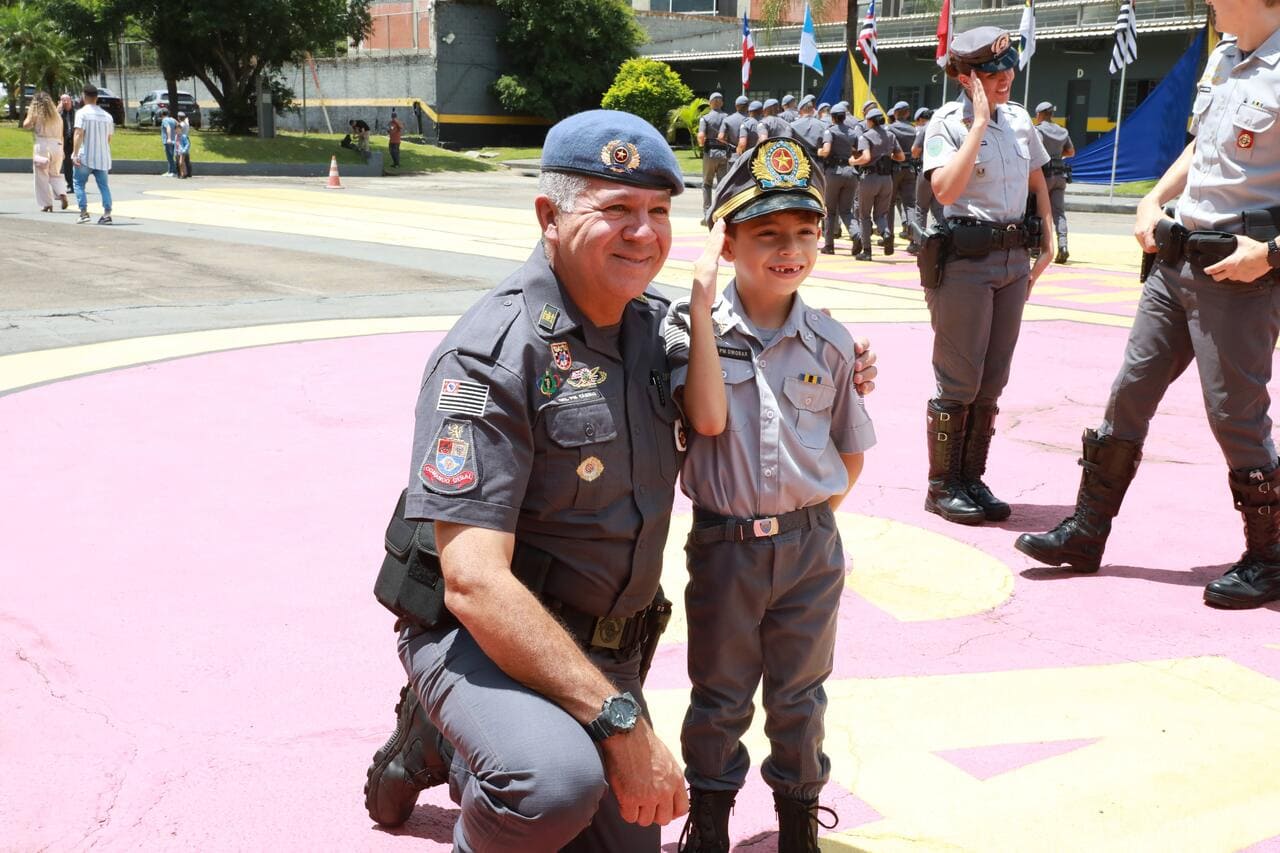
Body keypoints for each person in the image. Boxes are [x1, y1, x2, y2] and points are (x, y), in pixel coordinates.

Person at [361, 112, 882, 849]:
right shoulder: (491, 354)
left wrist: (839, 359)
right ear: (549, 216)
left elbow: (738, 374)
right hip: (485, 633)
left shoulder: (654, 331)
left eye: (658, 211)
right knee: (549, 788)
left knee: (635, 828)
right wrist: (620, 723)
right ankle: (457, 723)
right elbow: (473, 582)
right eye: (616, 211)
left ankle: (451, 734)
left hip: (602, 648)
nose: (644, 233)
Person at [1015, 0, 1280, 609]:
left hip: (1239, 275)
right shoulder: (1224, 57)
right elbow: (1202, 147)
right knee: (1129, 390)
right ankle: (1085, 533)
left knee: (1234, 416)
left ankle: (1268, 557)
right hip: (1173, 260)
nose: (1211, 3)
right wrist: (1152, 200)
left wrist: (1269, 255)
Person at [665, 137, 876, 853]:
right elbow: (709, 420)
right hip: (726, 545)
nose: (789, 250)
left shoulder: (831, 342)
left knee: (800, 694)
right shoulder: (691, 330)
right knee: (719, 694)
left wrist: (805, 520)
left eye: (804, 233)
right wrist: (698, 312)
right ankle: (712, 822)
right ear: (727, 242)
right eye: (766, 235)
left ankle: (796, 822)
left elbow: (849, 446)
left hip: (811, 546)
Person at [919, 26, 1053, 524]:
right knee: (960, 378)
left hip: (1013, 261)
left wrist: (1049, 231)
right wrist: (976, 126)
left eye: (1007, 68)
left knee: (993, 378)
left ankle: (972, 478)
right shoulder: (945, 125)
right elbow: (947, 192)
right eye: (992, 72)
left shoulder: (1020, 121)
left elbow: (1038, 177)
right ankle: (942, 484)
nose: (1005, 79)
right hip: (965, 264)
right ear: (966, 78)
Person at [851, 107, 905, 260]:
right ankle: (886, 233)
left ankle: (867, 251)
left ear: (871, 121)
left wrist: (854, 161)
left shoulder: (865, 136)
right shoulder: (890, 135)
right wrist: (885, 157)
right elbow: (900, 157)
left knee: (864, 215)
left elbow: (866, 157)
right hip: (887, 179)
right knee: (881, 214)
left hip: (869, 178)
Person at [817, 102, 861, 255]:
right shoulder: (853, 132)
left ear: (834, 118)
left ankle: (829, 245)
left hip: (834, 173)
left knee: (830, 210)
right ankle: (857, 234)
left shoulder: (830, 132)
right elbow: (858, 152)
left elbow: (826, 150)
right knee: (846, 210)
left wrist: (820, 151)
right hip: (851, 173)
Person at [1033, 102, 1075, 264]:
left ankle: (1036, 248)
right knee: (1059, 213)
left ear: (1040, 114)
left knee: (1038, 211)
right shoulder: (1062, 131)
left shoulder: (1039, 130)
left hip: (1045, 176)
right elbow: (1071, 151)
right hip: (1061, 175)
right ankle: (1063, 247)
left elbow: (1036, 150)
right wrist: (1057, 154)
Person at [72, 84, 115, 225]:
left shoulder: (82, 113)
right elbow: (109, 138)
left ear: (84, 97)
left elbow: (78, 134)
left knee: (78, 183)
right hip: (103, 157)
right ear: (97, 98)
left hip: (85, 155)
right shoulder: (107, 116)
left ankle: (84, 212)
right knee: (103, 185)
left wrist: (75, 153)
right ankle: (107, 213)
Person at [23, 91, 68, 213]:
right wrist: (62, 150)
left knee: (41, 175)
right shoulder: (57, 117)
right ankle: (61, 193)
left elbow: (25, 125)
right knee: (55, 173)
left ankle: (46, 204)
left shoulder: (37, 114)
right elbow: (61, 135)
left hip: (42, 145)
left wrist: (30, 114)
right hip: (57, 145)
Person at [911, 107, 944, 248]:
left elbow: (915, 150)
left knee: (921, 207)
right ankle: (944, 239)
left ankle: (918, 243)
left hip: (927, 169)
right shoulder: (948, 127)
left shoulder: (926, 128)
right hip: (944, 170)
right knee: (939, 208)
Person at [887, 101, 918, 243]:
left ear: (895, 113)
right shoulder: (914, 129)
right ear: (908, 113)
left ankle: (889, 236)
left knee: (889, 204)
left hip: (893, 169)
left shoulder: (890, 129)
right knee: (910, 204)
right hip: (910, 170)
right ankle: (912, 235)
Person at [698, 92, 730, 226]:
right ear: (721, 103)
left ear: (710, 103)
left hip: (710, 153)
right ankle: (721, 214)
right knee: (722, 185)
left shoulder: (704, 118)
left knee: (707, 184)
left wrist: (701, 145)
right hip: (724, 153)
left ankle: (707, 215)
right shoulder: (728, 117)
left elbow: (701, 136)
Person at [719, 95, 750, 165]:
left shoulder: (727, 119)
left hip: (733, 155)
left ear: (736, 106)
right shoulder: (754, 120)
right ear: (748, 106)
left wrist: (729, 144)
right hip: (750, 155)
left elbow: (720, 137)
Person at [58, 94, 75, 192]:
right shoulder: (59, 114)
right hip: (64, 142)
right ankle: (70, 184)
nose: (65, 102)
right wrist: (58, 110)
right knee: (67, 164)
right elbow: (52, 121)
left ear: (71, 101)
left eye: (67, 100)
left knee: (78, 164)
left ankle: (77, 184)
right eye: (63, 100)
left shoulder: (76, 112)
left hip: (75, 141)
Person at [159, 108, 178, 177]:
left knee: (169, 157)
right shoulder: (173, 119)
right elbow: (178, 126)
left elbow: (168, 128)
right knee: (172, 156)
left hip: (168, 141)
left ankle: (173, 172)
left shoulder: (165, 120)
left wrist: (169, 138)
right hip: (174, 140)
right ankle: (170, 171)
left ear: (161, 114)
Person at [175, 114, 191, 179]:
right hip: (178, 150)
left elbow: (187, 144)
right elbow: (176, 144)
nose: (177, 131)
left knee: (181, 162)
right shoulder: (176, 136)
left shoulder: (183, 136)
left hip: (182, 150)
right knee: (181, 163)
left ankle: (183, 174)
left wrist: (184, 149)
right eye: (176, 130)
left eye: (179, 130)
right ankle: (183, 174)